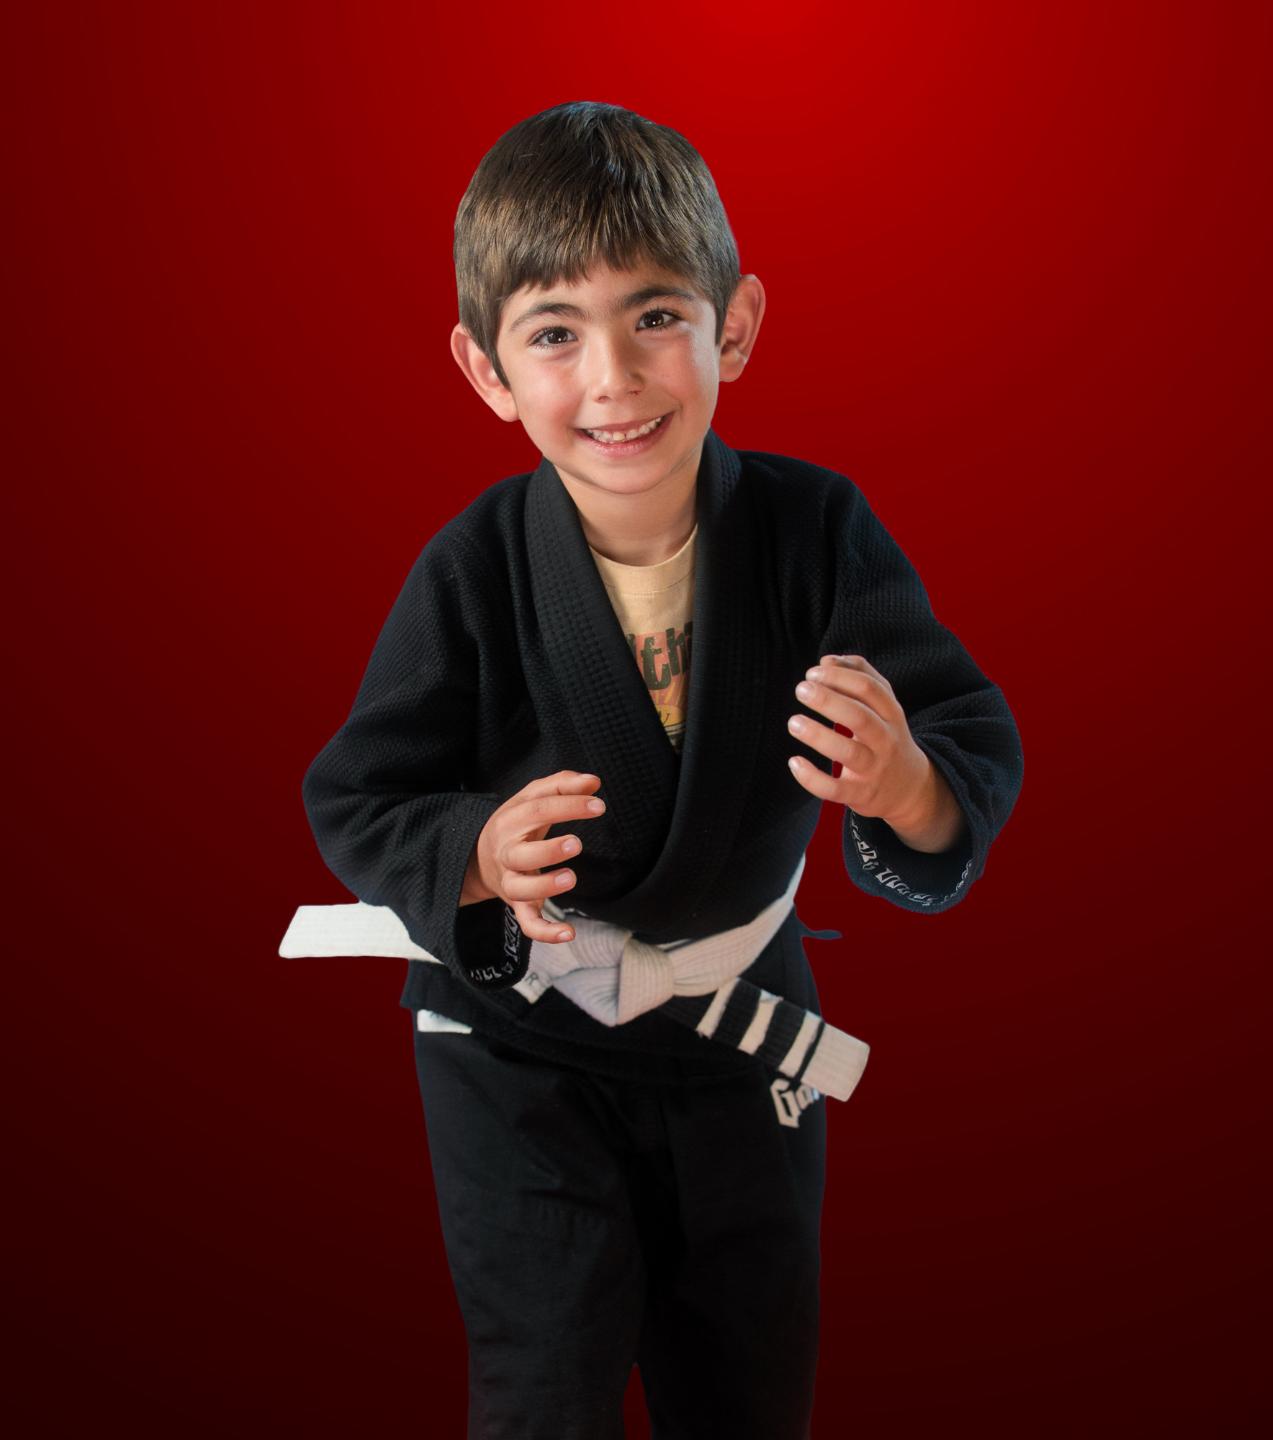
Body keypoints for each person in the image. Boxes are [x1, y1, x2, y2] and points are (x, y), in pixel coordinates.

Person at [299, 99, 1024, 1440]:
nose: (614, 380)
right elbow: (356, 794)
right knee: (541, 1386)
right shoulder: (473, 569)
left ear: (732, 328)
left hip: (739, 1037)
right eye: (553, 333)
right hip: (517, 1048)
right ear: (484, 368)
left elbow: (967, 733)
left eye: (654, 316)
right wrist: (474, 852)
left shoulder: (815, 530)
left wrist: (907, 784)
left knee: (749, 1380)